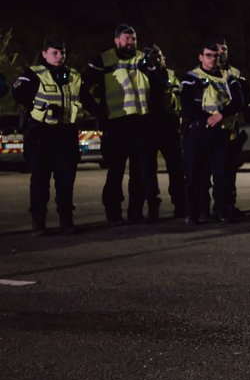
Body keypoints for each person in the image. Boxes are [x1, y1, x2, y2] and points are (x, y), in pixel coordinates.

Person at [82, 24, 161, 226]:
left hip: (141, 123)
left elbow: (158, 86)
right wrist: (98, 111)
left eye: (133, 39)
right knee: (115, 172)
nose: (131, 42)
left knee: (139, 172)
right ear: (116, 40)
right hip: (116, 124)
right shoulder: (103, 60)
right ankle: (113, 214)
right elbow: (82, 89)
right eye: (127, 39)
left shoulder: (143, 59)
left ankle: (136, 212)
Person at [13, 39, 86, 235]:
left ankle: (66, 221)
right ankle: (39, 222)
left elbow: (84, 98)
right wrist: (36, 107)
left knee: (66, 181)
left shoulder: (74, 75)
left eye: (62, 52)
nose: (60, 56)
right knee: (40, 180)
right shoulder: (33, 73)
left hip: (66, 133)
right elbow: (18, 94)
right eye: (55, 52)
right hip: (41, 133)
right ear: (44, 53)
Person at [179, 40, 244, 224]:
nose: (213, 59)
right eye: (208, 55)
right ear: (200, 57)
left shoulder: (228, 77)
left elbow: (239, 101)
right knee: (195, 175)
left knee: (221, 175)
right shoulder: (191, 77)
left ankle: (221, 211)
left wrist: (220, 115)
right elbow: (187, 106)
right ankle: (194, 214)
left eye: (216, 55)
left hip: (220, 132)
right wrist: (207, 118)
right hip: (198, 132)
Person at [143, 44, 185, 219]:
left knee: (176, 167)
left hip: (169, 124)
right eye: (153, 57)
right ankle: (153, 205)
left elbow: (179, 96)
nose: (157, 60)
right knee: (148, 170)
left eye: (159, 56)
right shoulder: (142, 74)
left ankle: (181, 204)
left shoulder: (170, 74)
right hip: (148, 125)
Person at [216, 39, 249, 219]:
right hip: (212, 129)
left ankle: (229, 205)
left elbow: (245, 98)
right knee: (214, 171)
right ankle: (212, 208)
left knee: (229, 170)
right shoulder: (203, 72)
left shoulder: (235, 73)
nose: (222, 52)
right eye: (219, 49)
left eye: (225, 49)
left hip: (232, 129)